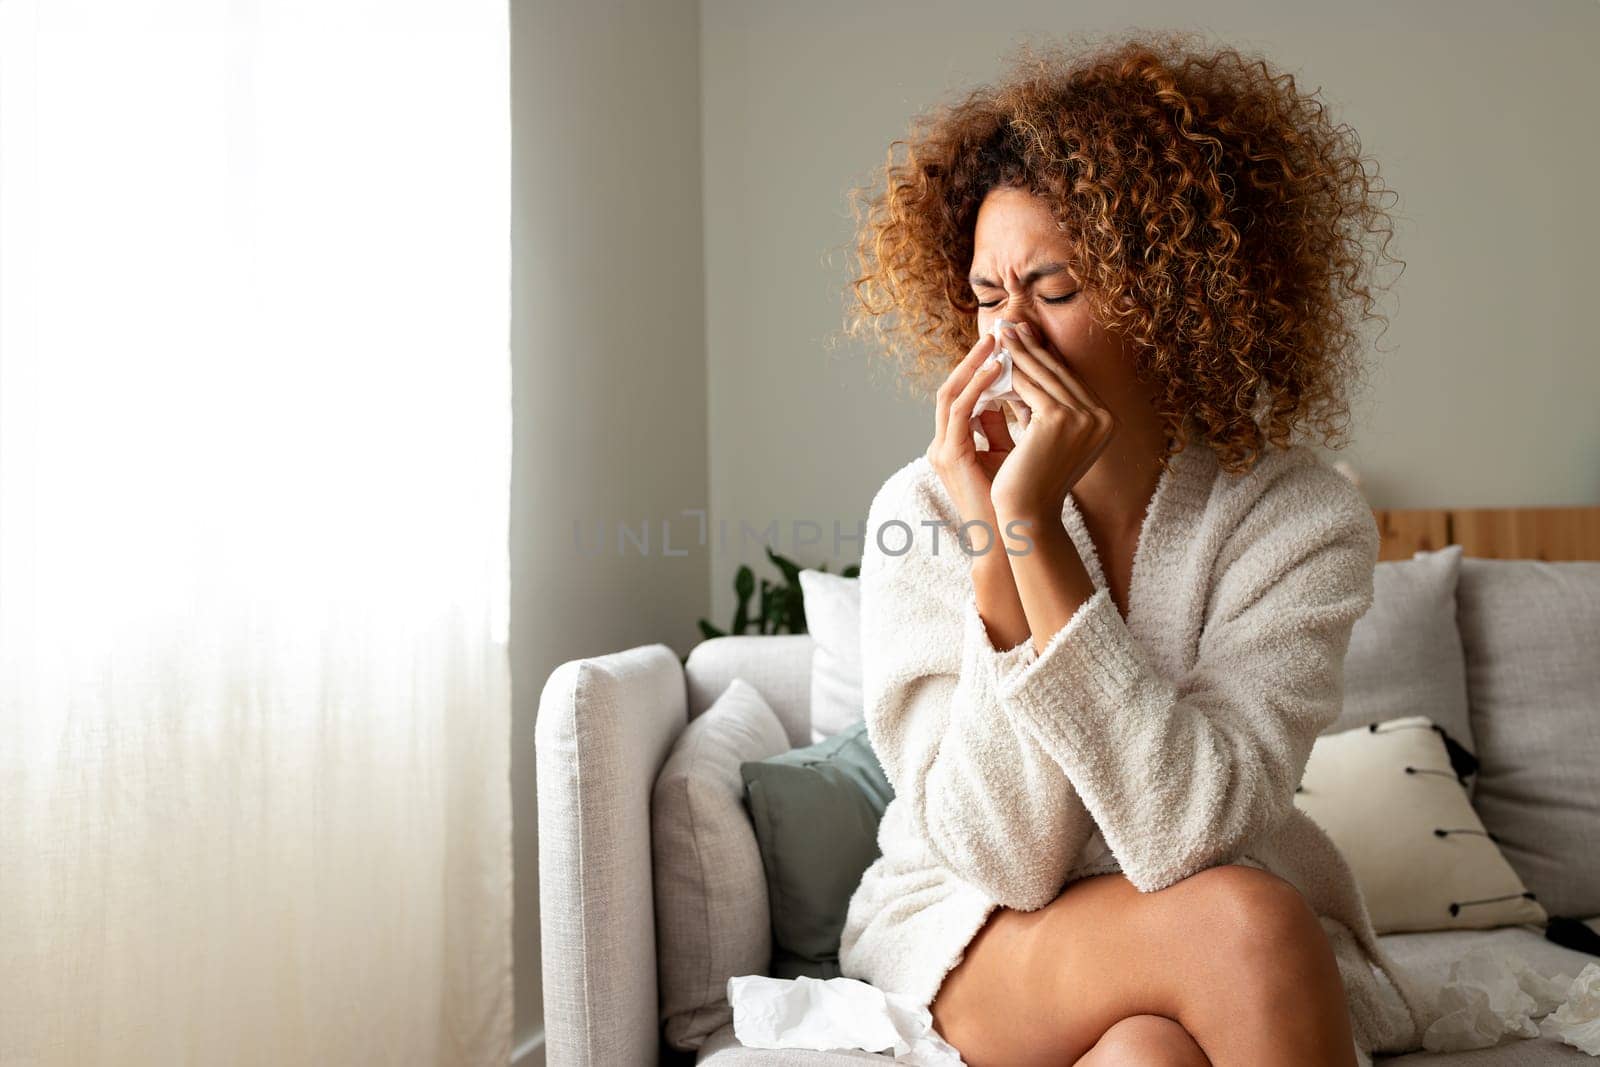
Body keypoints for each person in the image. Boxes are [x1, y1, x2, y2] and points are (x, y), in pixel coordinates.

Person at [834, 30, 1432, 1067]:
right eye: (986, 297)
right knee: (1251, 923)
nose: (1005, 340)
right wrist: (1003, 539)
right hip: (974, 927)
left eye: (1052, 291)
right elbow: (1002, 857)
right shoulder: (925, 506)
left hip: (1181, 906)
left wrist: (1034, 539)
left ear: (1174, 300)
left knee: (1147, 1052)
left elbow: (1188, 828)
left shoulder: (1296, 517)